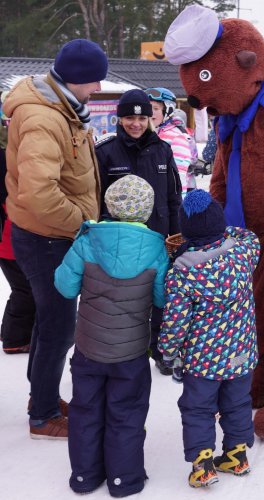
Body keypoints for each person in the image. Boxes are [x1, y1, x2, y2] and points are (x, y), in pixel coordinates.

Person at [3, 38, 107, 438]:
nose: (98, 88)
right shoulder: (44, 118)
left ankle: (40, 397)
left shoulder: (62, 109)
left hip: (52, 234)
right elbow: (39, 193)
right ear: (76, 79)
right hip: (48, 237)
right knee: (59, 327)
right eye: (94, 80)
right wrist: (82, 224)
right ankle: (44, 415)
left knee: (50, 323)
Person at [54, 175, 168, 497]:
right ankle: (124, 480)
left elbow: (64, 286)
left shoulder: (88, 241)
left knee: (85, 411)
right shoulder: (156, 250)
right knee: (127, 413)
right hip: (130, 354)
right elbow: (161, 299)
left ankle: (84, 477)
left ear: (109, 205)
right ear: (146, 211)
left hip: (89, 349)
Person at [158, 189, 259, 488]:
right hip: (242, 352)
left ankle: (203, 464)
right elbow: (249, 236)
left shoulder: (182, 272)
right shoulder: (243, 253)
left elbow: (175, 321)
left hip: (204, 361)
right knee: (238, 402)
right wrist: (224, 231)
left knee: (198, 408)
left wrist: (167, 351)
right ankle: (236, 456)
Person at [95, 89, 182, 376]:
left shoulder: (162, 149)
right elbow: (95, 201)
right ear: (119, 119)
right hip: (120, 241)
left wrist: (176, 234)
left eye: (142, 117)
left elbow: (173, 196)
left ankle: (159, 350)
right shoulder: (105, 151)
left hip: (158, 238)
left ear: (150, 118)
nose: (136, 123)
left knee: (160, 297)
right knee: (123, 299)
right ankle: (123, 353)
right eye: (130, 117)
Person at [0, 114, 35, 354]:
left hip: (16, 236)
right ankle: (13, 338)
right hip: (10, 239)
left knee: (26, 289)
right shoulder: (5, 159)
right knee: (25, 290)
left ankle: (15, 334)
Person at [145, 87, 197, 194]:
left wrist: (177, 208)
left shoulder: (176, 138)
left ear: (168, 110)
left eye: (156, 109)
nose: (151, 113)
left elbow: (179, 178)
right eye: (148, 108)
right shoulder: (150, 134)